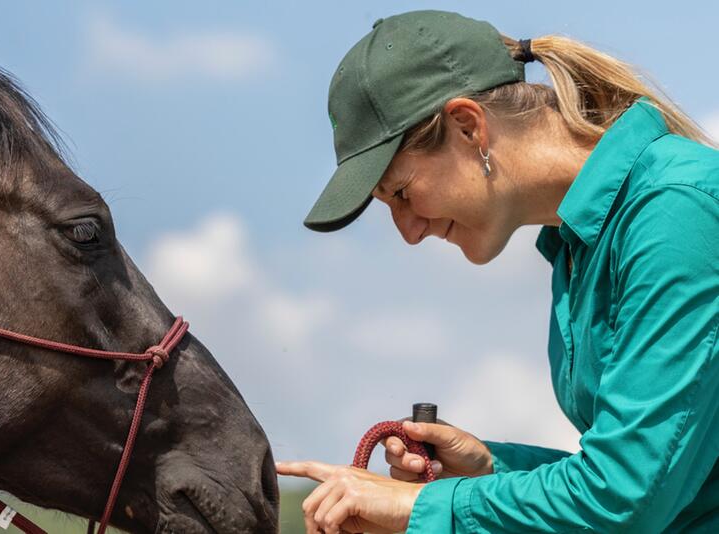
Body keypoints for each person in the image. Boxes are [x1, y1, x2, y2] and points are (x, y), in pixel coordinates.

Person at [275, 9, 718, 533]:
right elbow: (681, 489)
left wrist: (416, 507)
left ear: (469, 127)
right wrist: (489, 466)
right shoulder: (579, 244)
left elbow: (627, 499)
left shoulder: (674, 210)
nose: (409, 231)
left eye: (400, 193)